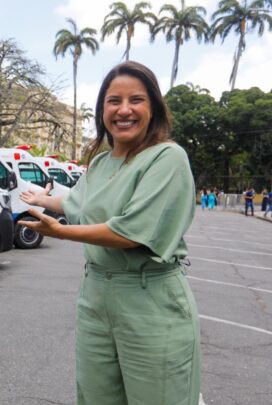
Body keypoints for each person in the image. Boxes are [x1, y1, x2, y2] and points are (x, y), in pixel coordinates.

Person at [19, 61, 200, 405]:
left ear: (154, 108)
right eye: (114, 101)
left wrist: (61, 233)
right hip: (96, 294)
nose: (124, 110)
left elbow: (132, 231)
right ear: (103, 110)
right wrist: (46, 200)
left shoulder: (167, 158)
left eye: (137, 100)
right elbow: (79, 204)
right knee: (96, 396)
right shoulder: (101, 163)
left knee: (158, 397)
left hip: (150, 298)